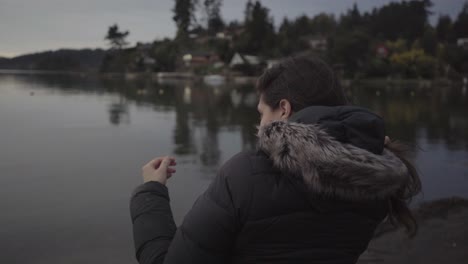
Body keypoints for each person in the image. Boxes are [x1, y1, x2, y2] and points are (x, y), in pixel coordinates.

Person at [130, 56, 421, 264]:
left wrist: (151, 193)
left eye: (261, 112)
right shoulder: (377, 178)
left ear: (284, 108)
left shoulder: (245, 175)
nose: (259, 123)